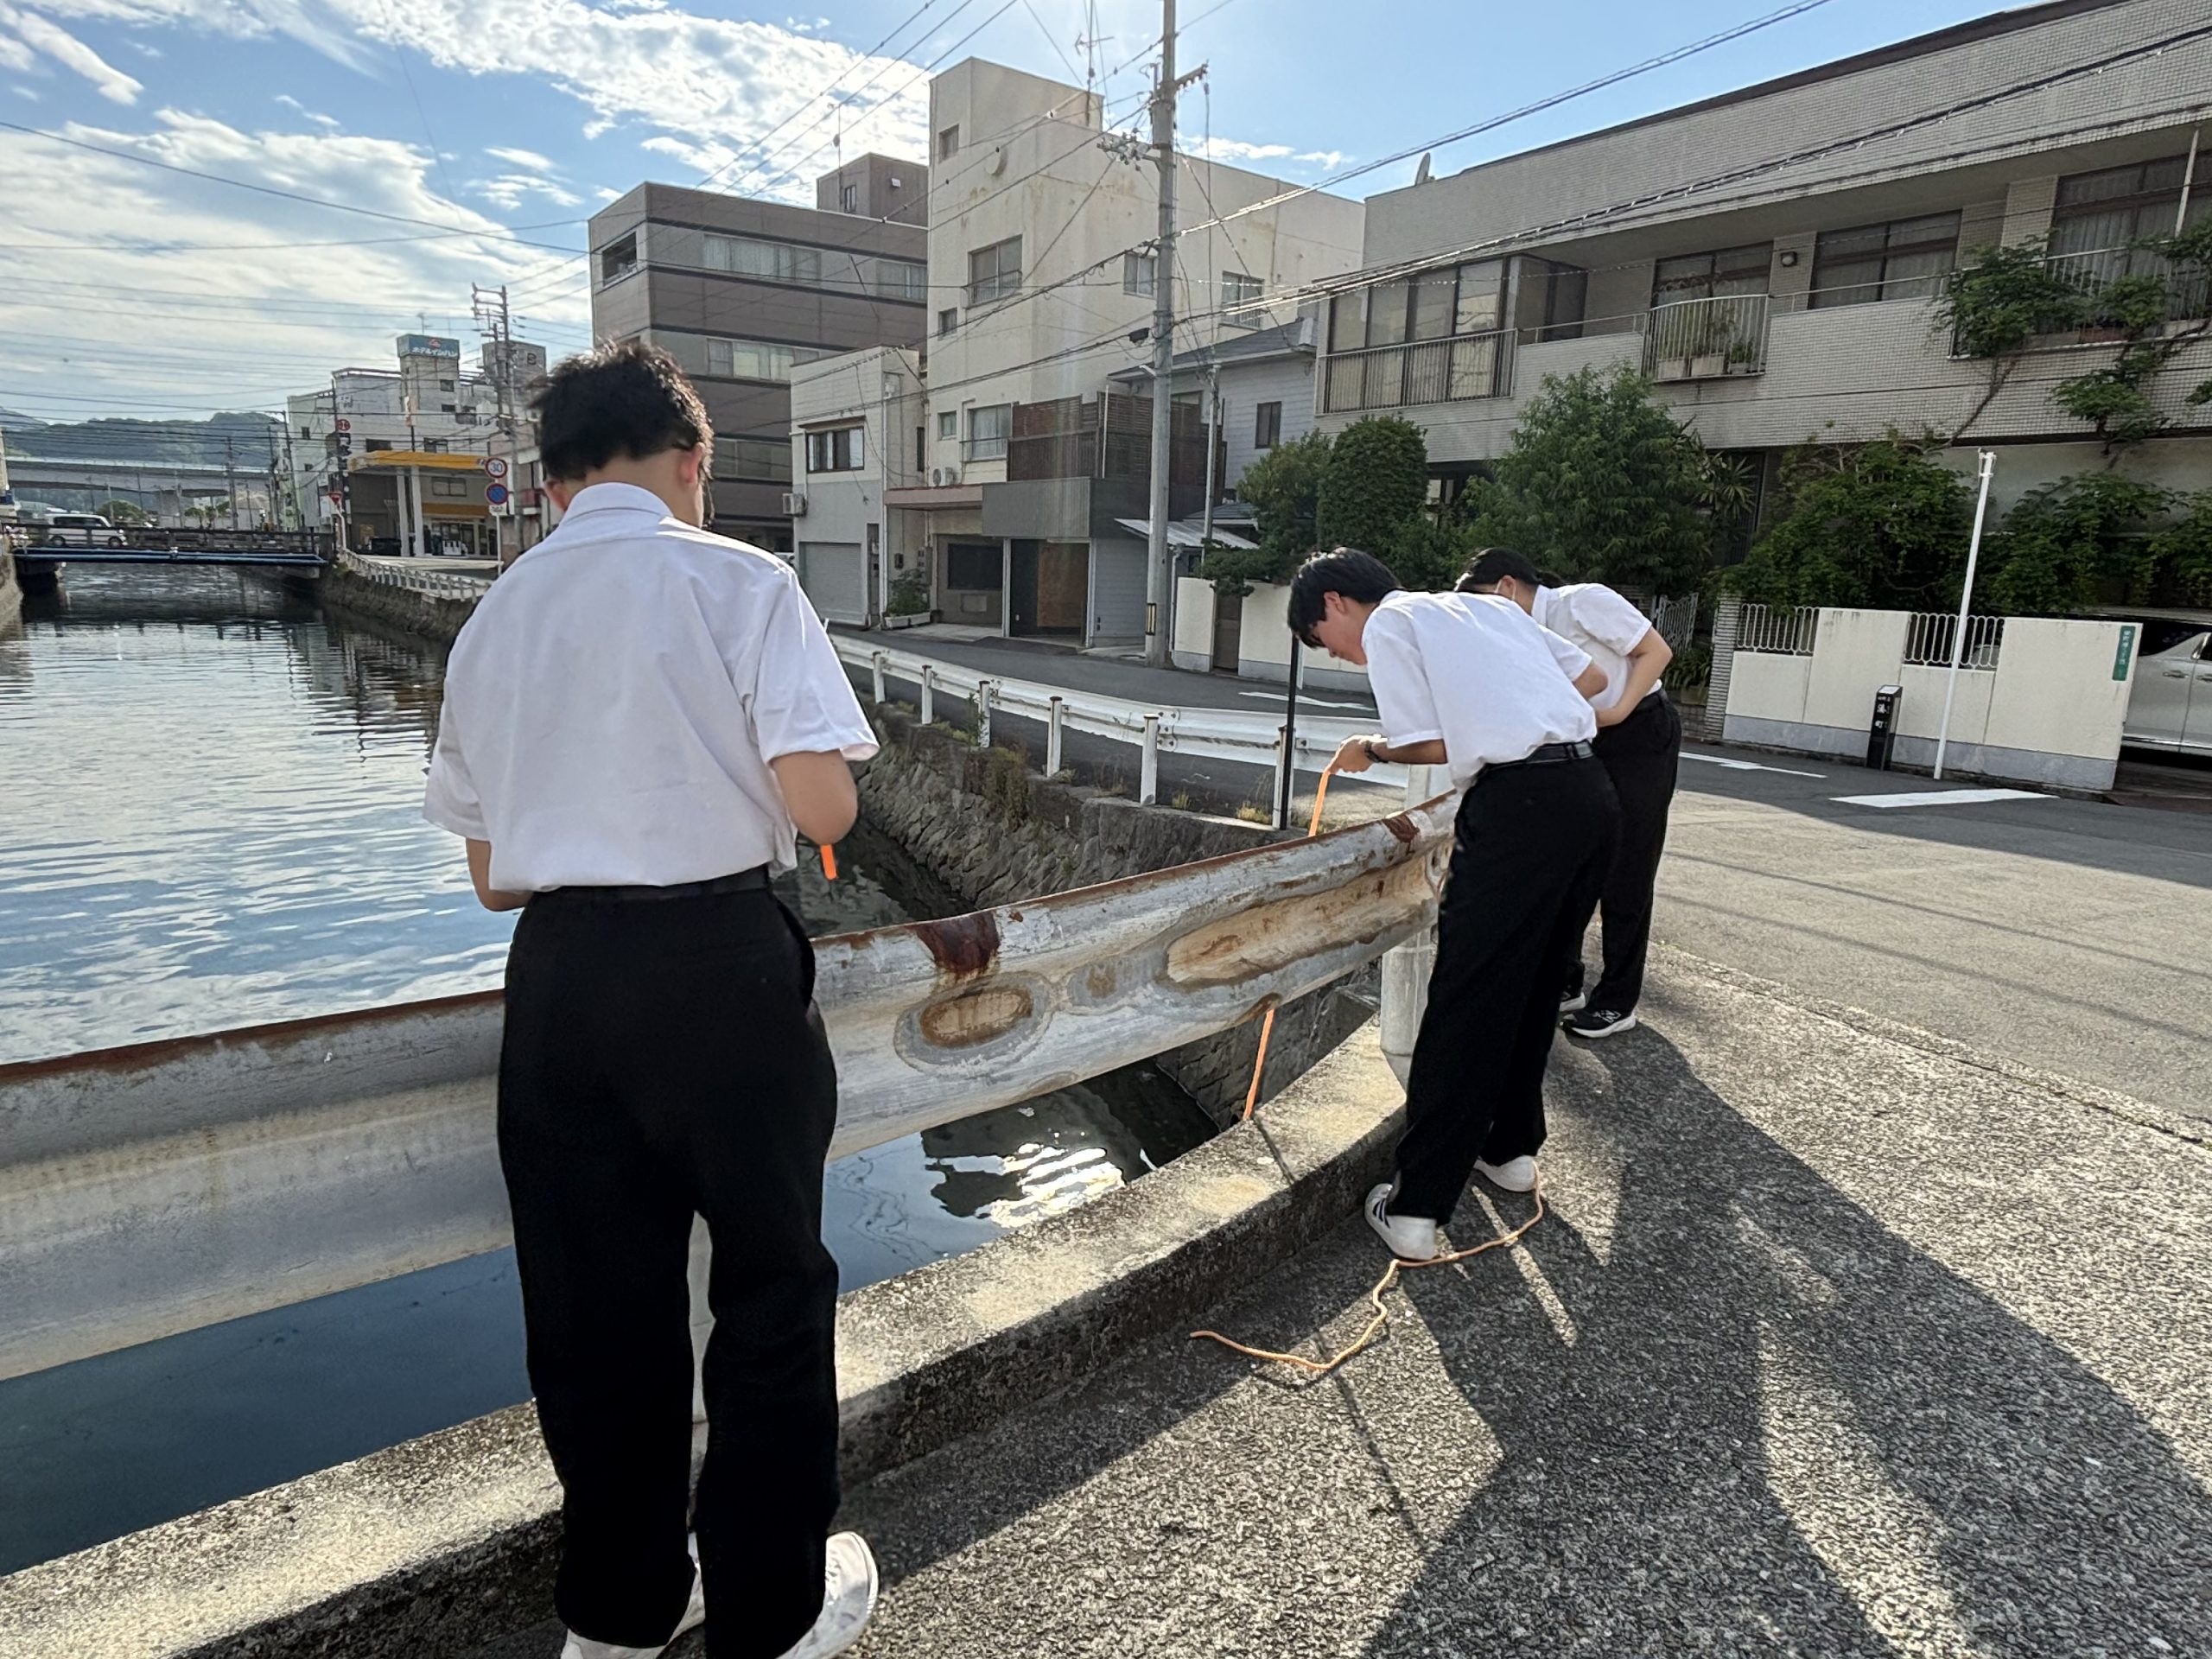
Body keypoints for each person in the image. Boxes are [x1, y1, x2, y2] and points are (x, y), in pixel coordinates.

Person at [423, 340, 880, 1659]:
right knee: (771, 1298)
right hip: (725, 970)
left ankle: (618, 1617)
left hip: (562, 989)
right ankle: (771, 1613)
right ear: (693, 464)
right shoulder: (741, 579)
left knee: (592, 1314)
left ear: (556, 478)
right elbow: (824, 806)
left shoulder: (494, 617)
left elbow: (494, 879)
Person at [1292, 548, 1620, 1263]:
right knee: (1538, 987)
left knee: (1466, 998)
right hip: (1591, 794)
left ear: (1337, 603)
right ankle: (1510, 1152)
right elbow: (1594, 679)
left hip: (1518, 809)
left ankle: (1415, 1208)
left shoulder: (1390, 625)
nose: (1344, 658)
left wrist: (1371, 749)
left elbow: (1427, 742)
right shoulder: (1492, 607)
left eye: (1326, 641)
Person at [1459, 549, 1680, 1039]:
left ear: (1507, 587)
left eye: (1482, 604)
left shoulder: (1582, 602)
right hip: (1581, 738)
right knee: (1570, 861)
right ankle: (1565, 981)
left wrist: (1619, 710)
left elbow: (1656, 651)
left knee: (1627, 866)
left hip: (1640, 732)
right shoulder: (1516, 636)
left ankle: (1617, 1001)